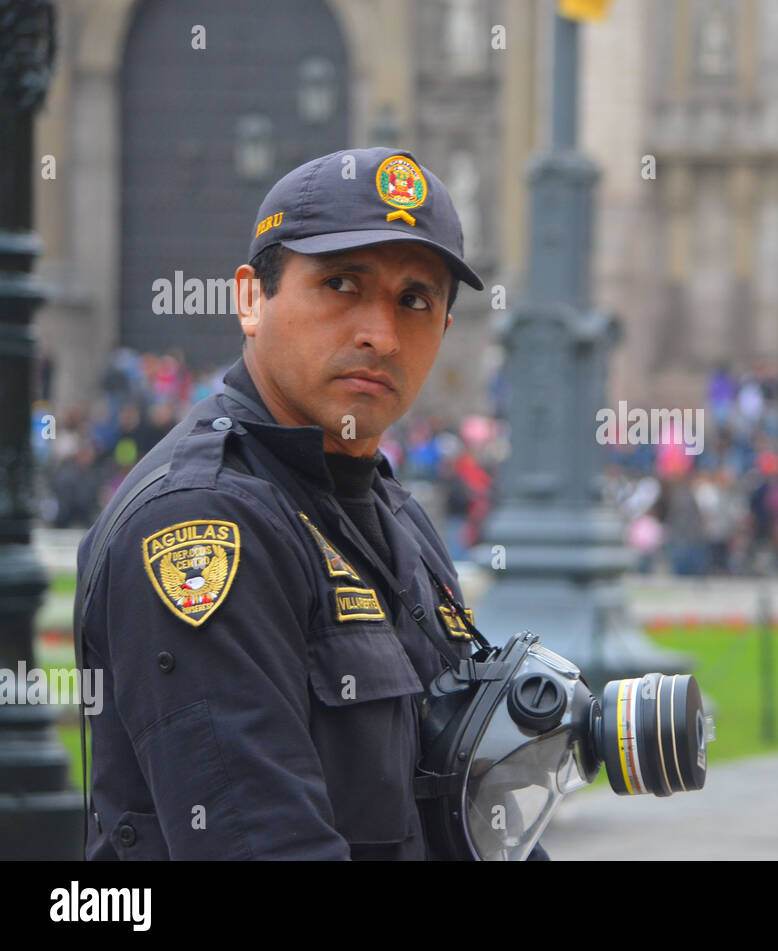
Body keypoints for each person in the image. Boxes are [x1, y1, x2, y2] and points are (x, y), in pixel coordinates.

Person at [71, 147, 553, 861]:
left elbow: (470, 819)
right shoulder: (200, 523)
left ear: (445, 331)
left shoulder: (394, 515)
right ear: (250, 298)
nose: (379, 335)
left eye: (414, 300)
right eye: (339, 284)